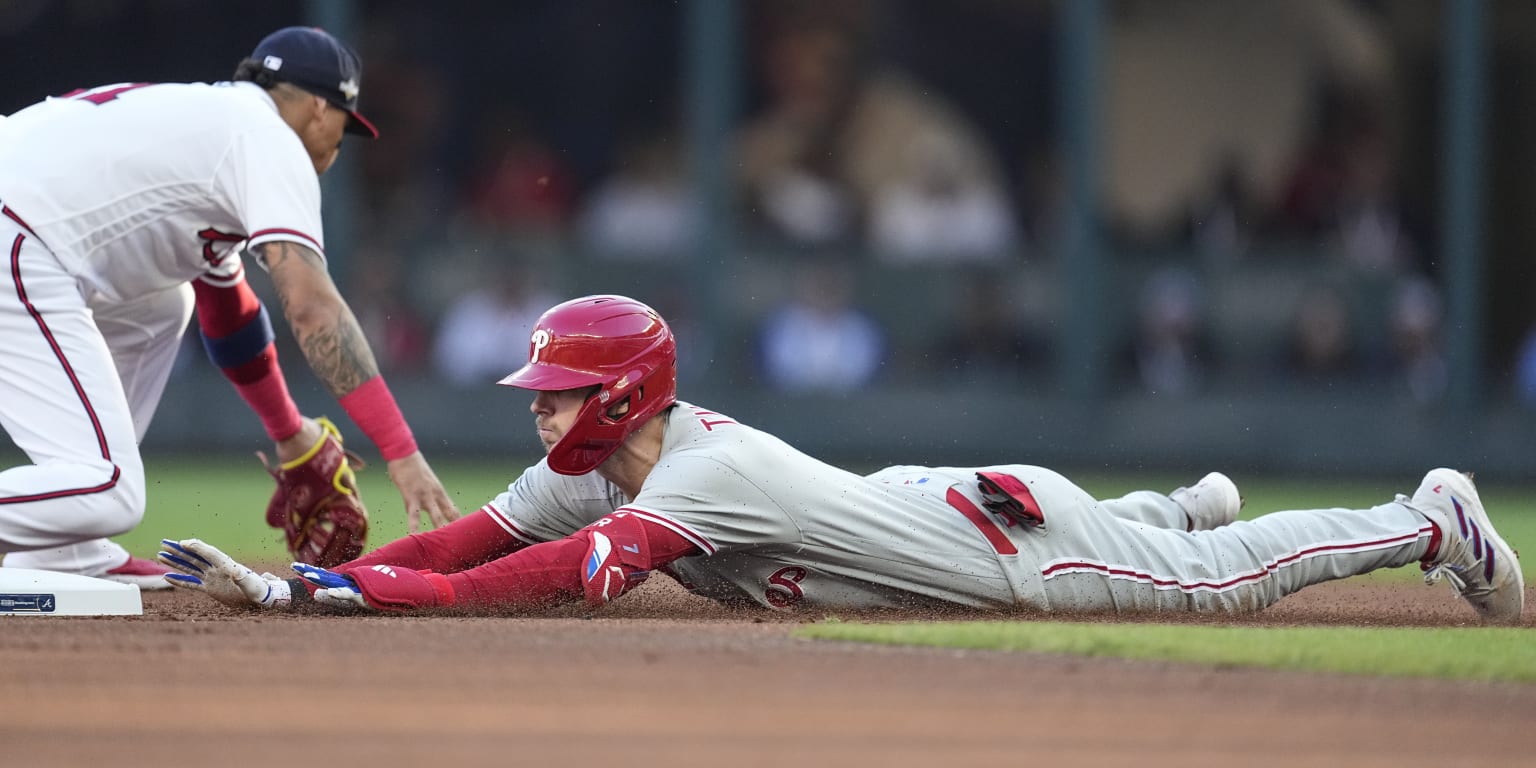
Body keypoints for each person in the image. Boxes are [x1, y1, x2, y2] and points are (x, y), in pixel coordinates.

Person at [160, 294, 1522, 626]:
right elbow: (461, 548)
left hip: (1010, 552)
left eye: (559, 392)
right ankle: (1168, 504)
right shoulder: (608, 464)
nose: (536, 411)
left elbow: (537, 586)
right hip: (939, 505)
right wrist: (302, 580)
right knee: (1167, 541)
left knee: (1211, 587)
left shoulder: (684, 481)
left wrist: (322, 598)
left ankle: (1423, 520)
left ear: (619, 394)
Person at [0, 26, 459, 588]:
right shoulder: (269, 139)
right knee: (110, 490)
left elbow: (230, 318)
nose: (339, 147)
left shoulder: (212, 129)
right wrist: (401, 451)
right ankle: (83, 514)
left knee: (165, 303)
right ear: (320, 107)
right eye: (344, 127)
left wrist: (291, 434)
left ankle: (65, 549)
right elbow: (313, 309)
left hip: (22, 224)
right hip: (16, 233)